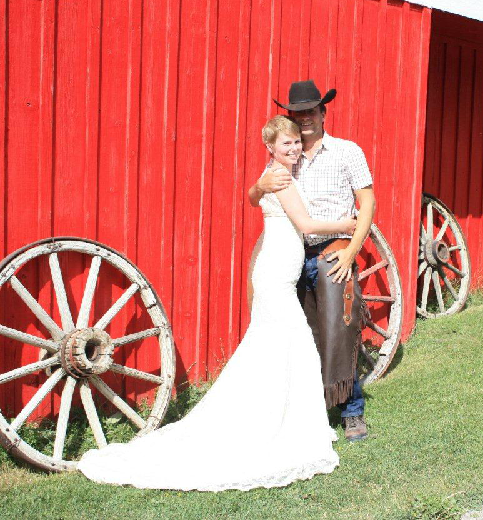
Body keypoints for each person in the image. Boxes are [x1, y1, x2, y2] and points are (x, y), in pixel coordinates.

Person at [77, 116, 355, 491]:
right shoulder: (282, 177)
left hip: (277, 272)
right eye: (285, 144)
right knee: (296, 344)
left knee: (276, 347)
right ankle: (282, 426)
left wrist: (256, 188)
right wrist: (345, 225)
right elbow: (305, 226)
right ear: (270, 148)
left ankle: (278, 418)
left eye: (295, 142)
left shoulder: (273, 174)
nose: (292, 149)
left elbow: (255, 198)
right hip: (275, 274)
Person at [248, 80, 376, 441]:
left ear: (323, 112)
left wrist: (352, 250)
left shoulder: (347, 151)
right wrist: (259, 188)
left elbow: (367, 203)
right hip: (292, 256)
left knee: (339, 329)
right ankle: (306, 409)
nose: (305, 117)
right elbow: (257, 195)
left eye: (311, 110)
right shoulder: (286, 157)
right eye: (298, 112)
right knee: (303, 336)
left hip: (333, 249)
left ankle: (351, 411)